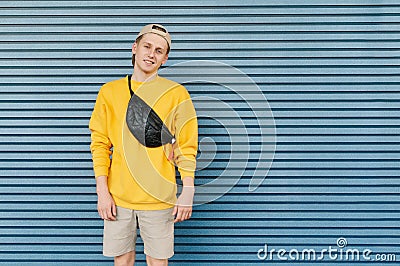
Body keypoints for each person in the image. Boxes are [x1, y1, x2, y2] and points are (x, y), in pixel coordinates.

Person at [89, 24, 198, 266]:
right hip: (118, 199)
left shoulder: (176, 94)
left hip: (160, 199)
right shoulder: (110, 92)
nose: (151, 54)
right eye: (147, 46)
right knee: (122, 261)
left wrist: (188, 189)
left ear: (165, 58)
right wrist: (102, 192)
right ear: (135, 47)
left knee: (158, 262)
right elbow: (99, 144)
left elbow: (186, 146)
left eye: (159, 50)